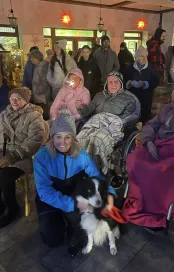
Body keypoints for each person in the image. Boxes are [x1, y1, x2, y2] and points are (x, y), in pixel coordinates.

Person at [34, 109, 115, 257]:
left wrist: (109, 194)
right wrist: (72, 204)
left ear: (73, 138)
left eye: (67, 137)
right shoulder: (41, 157)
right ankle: (56, 221)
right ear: (52, 137)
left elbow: (96, 176)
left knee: (78, 226)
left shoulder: (81, 154)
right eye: (58, 136)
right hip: (49, 200)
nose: (63, 142)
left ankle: (74, 233)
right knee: (52, 240)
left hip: (73, 195)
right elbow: (44, 191)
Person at [122, 83, 174, 232]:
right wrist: (149, 142)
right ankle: (139, 205)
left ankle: (157, 213)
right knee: (136, 161)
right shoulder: (168, 109)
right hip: (158, 145)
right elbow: (151, 125)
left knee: (159, 173)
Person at [0, 87, 48, 228]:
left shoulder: (34, 116)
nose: (15, 101)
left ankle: (11, 207)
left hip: (22, 157)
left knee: (4, 175)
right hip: (1, 153)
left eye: (18, 99)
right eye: (12, 98)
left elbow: (35, 140)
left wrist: (13, 156)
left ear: (26, 100)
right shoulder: (3, 115)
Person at [77, 71, 140, 175]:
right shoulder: (99, 96)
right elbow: (88, 111)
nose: (113, 84)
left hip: (113, 127)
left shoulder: (129, 98)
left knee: (98, 139)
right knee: (81, 138)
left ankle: (100, 170)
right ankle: (81, 166)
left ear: (121, 83)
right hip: (96, 123)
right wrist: (81, 108)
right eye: (110, 82)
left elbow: (132, 116)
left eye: (116, 82)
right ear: (107, 83)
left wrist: (112, 121)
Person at [123, 46, 159, 123]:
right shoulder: (129, 69)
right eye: (142, 56)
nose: (145, 58)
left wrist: (145, 84)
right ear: (136, 58)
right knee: (133, 119)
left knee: (145, 119)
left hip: (146, 99)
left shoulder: (151, 68)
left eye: (146, 56)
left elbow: (156, 81)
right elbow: (123, 80)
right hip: (132, 99)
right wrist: (129, 83)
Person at [30, 49, 51, 120]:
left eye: (32, 58)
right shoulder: (42, 65)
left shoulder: (40, 67)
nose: (31, 59)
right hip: (42, 95)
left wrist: (38, 94)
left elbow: (44, 82)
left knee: (43, 116)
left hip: (41, 97)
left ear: (37, 59)